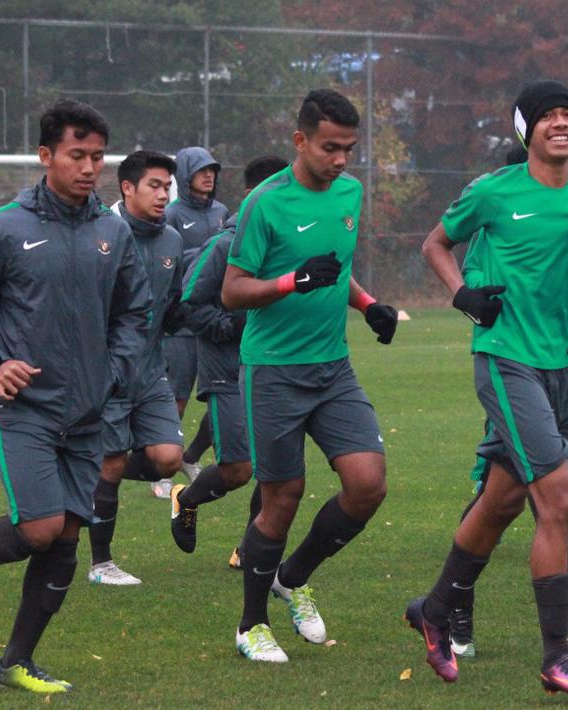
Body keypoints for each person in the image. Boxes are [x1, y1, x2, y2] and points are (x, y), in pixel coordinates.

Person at [0, 100, 151, 693]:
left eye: (98, 156)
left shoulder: (112, 230)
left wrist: (114, 369)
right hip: (22, 409)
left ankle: (15, 662)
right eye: (77, 155)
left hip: (89, 410)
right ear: (46, 156)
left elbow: (135, 311)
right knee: (43, 527)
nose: (89, 167)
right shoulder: (4, 228)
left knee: (68, 536)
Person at [407, 80, 568, 698]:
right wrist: (461, 294)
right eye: (547, 115)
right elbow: (435, 243)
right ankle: (557, 656)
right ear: (525, 130)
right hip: (508, 359)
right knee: (560, 500)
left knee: (507, 500)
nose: (560, 123)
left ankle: (436, 609)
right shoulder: (494, 192)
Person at [221, 89, 399, 664]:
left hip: (333, 368)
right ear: (300, 141)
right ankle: (251, 625)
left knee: (368, 484)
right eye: (330, 148)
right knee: (282, 497)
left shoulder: (349, 193)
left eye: (349, 148)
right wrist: (289, 282)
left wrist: (368, 304)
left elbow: (335, 270)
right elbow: (232, 291)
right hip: (273, 371)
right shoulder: (264, 204)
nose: (341, 160)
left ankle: (293, 576)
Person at [86, 150, 210, 586]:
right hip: (106, 371)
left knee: (166, 459)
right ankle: (101, 564)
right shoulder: (97, 232)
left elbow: (173, 307)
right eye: (155, 186)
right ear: (127, 188)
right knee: (112, 463)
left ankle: (94, 475)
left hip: (151, 368)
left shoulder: (172, 240)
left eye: (167, 187)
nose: (164, 195)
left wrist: (205, 313)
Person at [172, 154, 289, 568]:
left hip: (275, 368)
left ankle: (249, 547)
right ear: (256, 194)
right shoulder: (225, 243)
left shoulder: (287, 241)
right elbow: (187, 305)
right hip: (227, 371)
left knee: (276, 470)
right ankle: (185, 498)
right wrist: (230, 328)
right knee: (239, 470)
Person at [159, 146, 230, 498]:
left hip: (218, 320)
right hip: (185, 321)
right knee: (178, 397)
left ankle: (190, 456)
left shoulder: (222, 212)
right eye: (201, 170)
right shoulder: (171, 214)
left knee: (222, 396)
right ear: (185, 175)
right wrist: (204, 255)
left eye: (212, 170)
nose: (209, 175)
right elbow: (168, 259)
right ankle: (161, 471)